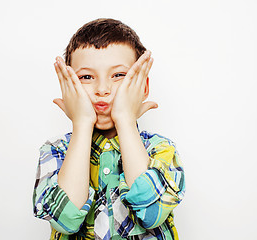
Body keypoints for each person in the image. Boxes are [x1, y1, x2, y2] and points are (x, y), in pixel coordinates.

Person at [33, 18, 185, 240]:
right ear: (68, 87)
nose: (102, 89)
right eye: (86, 77)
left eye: (118, 75)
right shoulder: (55, 150)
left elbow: (152, 213)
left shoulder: (160, 149)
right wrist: (82, 123)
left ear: (143, 87)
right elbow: (64, 220)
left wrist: (124, 117)